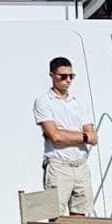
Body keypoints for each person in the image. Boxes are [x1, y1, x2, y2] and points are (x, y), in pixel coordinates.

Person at [34, 55, 97, 215]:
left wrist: (68, 135)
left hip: (81, 165)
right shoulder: (44, 102)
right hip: (58, 165)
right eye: (63, 76)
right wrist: (82, 137)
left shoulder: (78, 103)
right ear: (52, 76)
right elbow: (55, 136)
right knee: (56, 215)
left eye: (71, 76)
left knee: (82, 214)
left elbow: (93, 137)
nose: (68, 80)